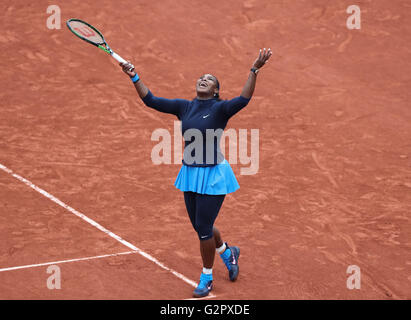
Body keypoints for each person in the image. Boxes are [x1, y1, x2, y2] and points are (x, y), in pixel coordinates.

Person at [120, 48, 272, 297]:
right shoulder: (184, 107)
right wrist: (134, 76)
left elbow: (244, 99)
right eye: (202, 77)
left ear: (215, 90)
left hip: (213, 175)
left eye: (210, 79)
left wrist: (254, 69)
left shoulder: (221, 109)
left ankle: (207, 278)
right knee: (201, 226)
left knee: (203, 227)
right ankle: (227, 251)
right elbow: (151, 101)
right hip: (190, 172)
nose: (204, 79)